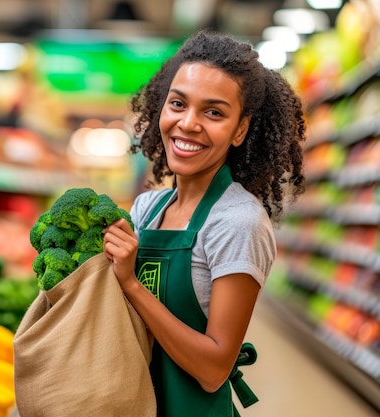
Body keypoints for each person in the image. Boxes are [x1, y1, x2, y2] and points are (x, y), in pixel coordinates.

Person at [102, 30, 306, 417]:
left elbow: (214, 369)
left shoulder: (237, 222)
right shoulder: (146, 208)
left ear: (240, 130)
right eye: (178, 104)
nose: (188, 123)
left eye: (213, 112)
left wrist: (130, 283)